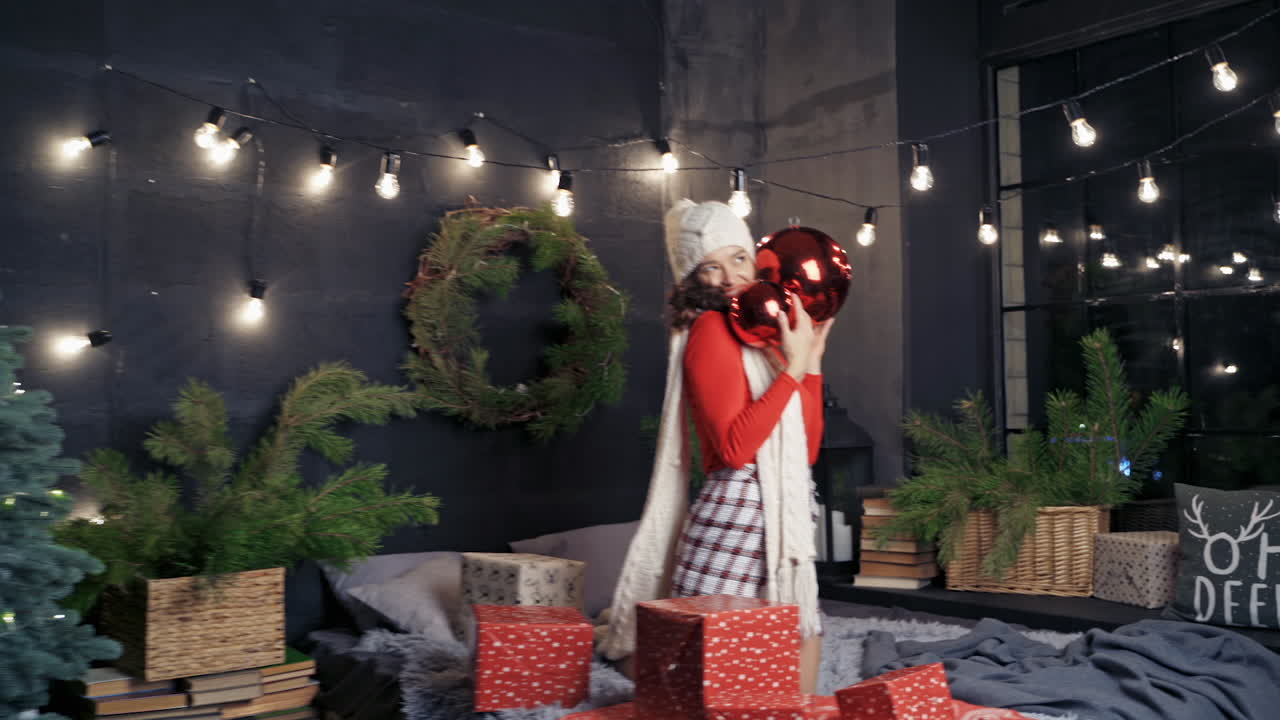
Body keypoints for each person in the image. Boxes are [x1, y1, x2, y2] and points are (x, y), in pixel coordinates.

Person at [599, 198, 833, 694]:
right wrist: (792, 370)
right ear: (693, 278)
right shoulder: (710, 330)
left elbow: (805, 452)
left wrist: (810, 362)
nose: (729, 277)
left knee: (799, 631)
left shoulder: (772, 333)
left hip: (787, 508)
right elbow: (733, 449)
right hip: (735, 513)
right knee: (693, 665)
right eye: (710, 267)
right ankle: (619, 659)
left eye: (738, 259)